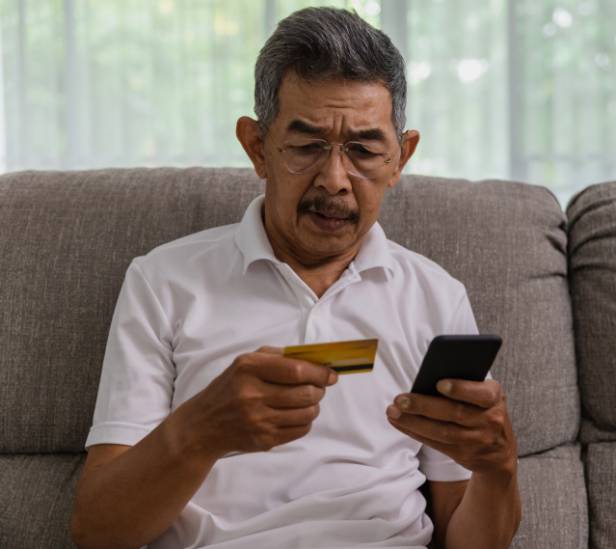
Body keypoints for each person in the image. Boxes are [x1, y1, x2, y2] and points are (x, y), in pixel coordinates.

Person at [71, 7, 521, 549]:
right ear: (257, 148)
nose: (334, 180)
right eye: (307, 146)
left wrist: (499, 470)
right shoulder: (163, 281)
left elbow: (466, 538)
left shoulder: (435, 297)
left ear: (400, 157)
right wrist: (199, 433)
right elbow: (97, 531)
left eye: (363, 150)